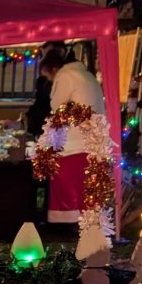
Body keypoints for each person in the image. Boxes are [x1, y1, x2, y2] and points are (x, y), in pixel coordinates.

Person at [39, 50, 108, 224]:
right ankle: (89, 225)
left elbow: (57, 107)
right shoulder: (87, 76)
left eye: (48, 76)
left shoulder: (65, 76)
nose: (49, 81)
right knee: (88, 190)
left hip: (75, 142)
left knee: (70, 187)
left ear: (54, 69)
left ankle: (69, 223)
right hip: (95, 141)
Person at [22, 41, 71, 137]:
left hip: (53, 126)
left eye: (46, 51)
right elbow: (40, 101)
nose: (44, 54)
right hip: (44, 124)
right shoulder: (44, 80)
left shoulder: (64, 78)